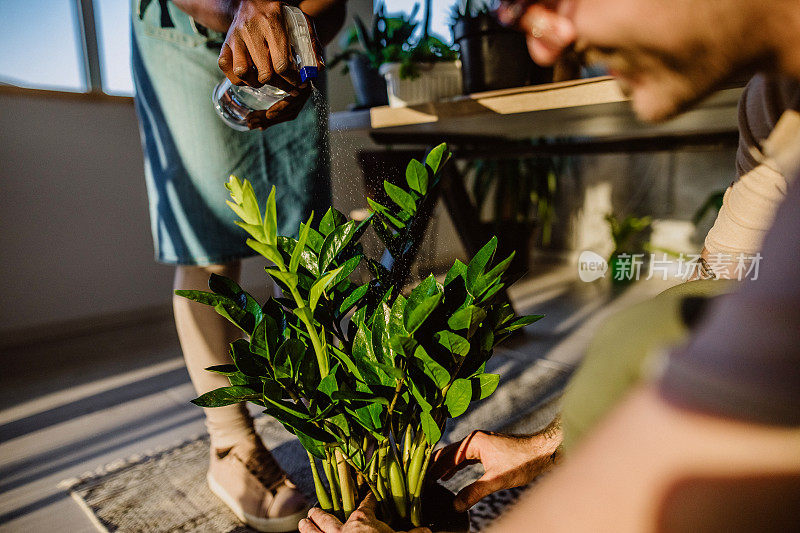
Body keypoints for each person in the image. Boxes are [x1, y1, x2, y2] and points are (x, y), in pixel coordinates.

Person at [298, 0, 800, 531]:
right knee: (661, 330)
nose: (543, 46)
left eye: (558, 0)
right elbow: (722, 289)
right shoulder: (774, 104)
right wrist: (545, 449)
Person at [131, 0, 345, 530]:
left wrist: (294, 22)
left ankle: (334, 428)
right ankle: (231, 446)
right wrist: (238, 8)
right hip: (183, 26)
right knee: (209, 243)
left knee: (307, 243)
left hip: (290, 36)